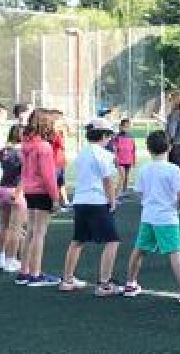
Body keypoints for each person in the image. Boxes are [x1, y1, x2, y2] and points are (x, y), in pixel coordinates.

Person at [122, 129, 180, 304]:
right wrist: (179, 207)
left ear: (148, 149)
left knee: (139, 250)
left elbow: (138, 193)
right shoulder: (173, 169)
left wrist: (148, 203)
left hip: (148, 216)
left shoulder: (144, 169)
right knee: (175, 253)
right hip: (167, 218)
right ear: (169, 147)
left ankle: (130, 284)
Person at [59, 120, 121, 296]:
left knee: (78, 240)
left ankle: (67, 279)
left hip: (80, 201)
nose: (109, 139)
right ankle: (104, 284)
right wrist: (112, 201)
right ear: (103, 135)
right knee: (112, 241)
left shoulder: (83, 153)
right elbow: (107, 180)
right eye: (108, 135)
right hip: (97, 201)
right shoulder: (103, 154)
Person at [17, 109, 63, 287]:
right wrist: (55, 198)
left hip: (29, 190)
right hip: (42, 191)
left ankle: (24, 272)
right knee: (39, 233)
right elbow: (48, 175)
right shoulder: (44, 146)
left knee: (31, 231)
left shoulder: (26, 144)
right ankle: (35, 274)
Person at [0, 123, 25, 271]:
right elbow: (25, 175)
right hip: (15, 190)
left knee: (2, 225)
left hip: (1, 189)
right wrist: (18, 192)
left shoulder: (3, 151)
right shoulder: (23, 153)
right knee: (15, 228)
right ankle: (11, 260)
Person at [159, 92, 180, 208]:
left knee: (176, 172)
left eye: (170, 100)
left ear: (175, 101)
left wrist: (167, 143)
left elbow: (171, 132)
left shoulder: (174, 115)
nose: (169, 102)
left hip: (175, 146)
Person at [50, 116, 71, 211]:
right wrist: (64, 134)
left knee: (61, 182)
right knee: (55, 183)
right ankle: (55, 203)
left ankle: (65, 201)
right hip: (55, 163)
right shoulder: (56, 135)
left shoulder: (59, 135)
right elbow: (64, 145)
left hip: (60, 162)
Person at [114, 118, 137, 197]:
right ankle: (116, 194)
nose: (126, 128)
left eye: (128, 126)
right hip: (120, 161)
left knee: (127, 177)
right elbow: (115, 150)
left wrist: (134, 160)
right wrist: (116, 159)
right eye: (124, 126)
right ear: (120, 126)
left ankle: (124, 192)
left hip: (128, 160)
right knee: (122, 177)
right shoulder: (117, 137)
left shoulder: (131, 137)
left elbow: (133, 149)